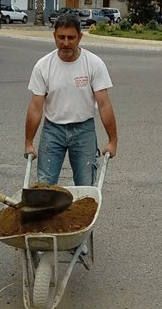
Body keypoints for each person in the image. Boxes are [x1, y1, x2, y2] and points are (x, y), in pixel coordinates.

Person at [25, 14, 117, 186]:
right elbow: (35, 108)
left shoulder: (94, 64)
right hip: (53, 131)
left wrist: (112, 141)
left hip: (84, 130)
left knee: (85, 186)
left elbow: (104, 105)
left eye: (71, 38)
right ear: (54, 36)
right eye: (61, 37)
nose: (66, 43)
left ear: (80, 37)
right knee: (45, 186)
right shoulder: (43, 66)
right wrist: (29, 143)